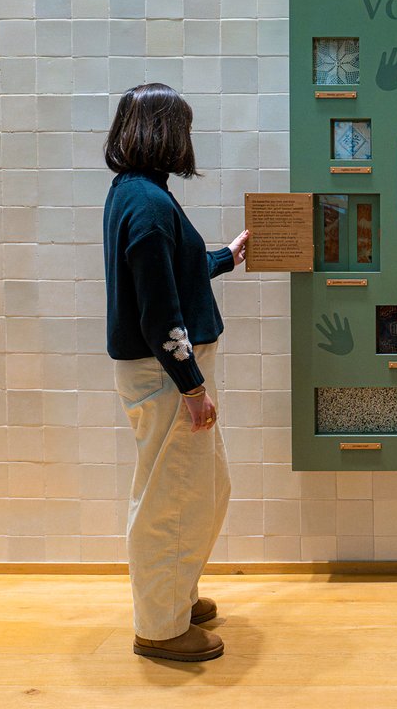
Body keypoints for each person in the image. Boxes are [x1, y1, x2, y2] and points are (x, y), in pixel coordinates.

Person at [102, 83, 250, 662]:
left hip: (162, 371)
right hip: (166, 374)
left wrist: (224, 258)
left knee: (200, 491)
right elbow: (159, 311)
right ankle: (160, 629)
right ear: (166, 133)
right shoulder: (148, 204)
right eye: (183, 128)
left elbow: (171, 274)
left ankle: (174, 596)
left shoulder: (136, 193)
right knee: (173, 499)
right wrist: (193, 387)